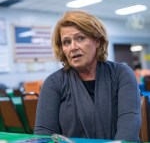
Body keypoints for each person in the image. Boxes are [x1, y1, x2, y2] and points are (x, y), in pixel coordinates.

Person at [34, 10, 141, 141]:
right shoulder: (53, 82)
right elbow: (43, 134)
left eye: (80, 38)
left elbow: (129, 125)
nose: (73, 47)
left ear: (97, 41)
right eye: (66, 42)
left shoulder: (122, 73)